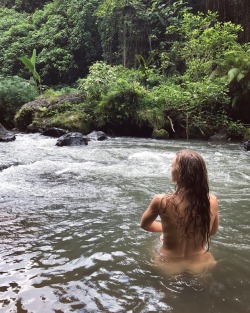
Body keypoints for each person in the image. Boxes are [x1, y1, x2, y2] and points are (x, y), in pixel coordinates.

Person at [140, 149, 219, 274]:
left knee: (170, 293)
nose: (170, 169)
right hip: (201, 262)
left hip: (168, 262)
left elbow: (144, 225)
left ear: (179, 173)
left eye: (172, 165)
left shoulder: (161, 201)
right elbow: (211, 231)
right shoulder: (212, 201)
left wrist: (169, 230)